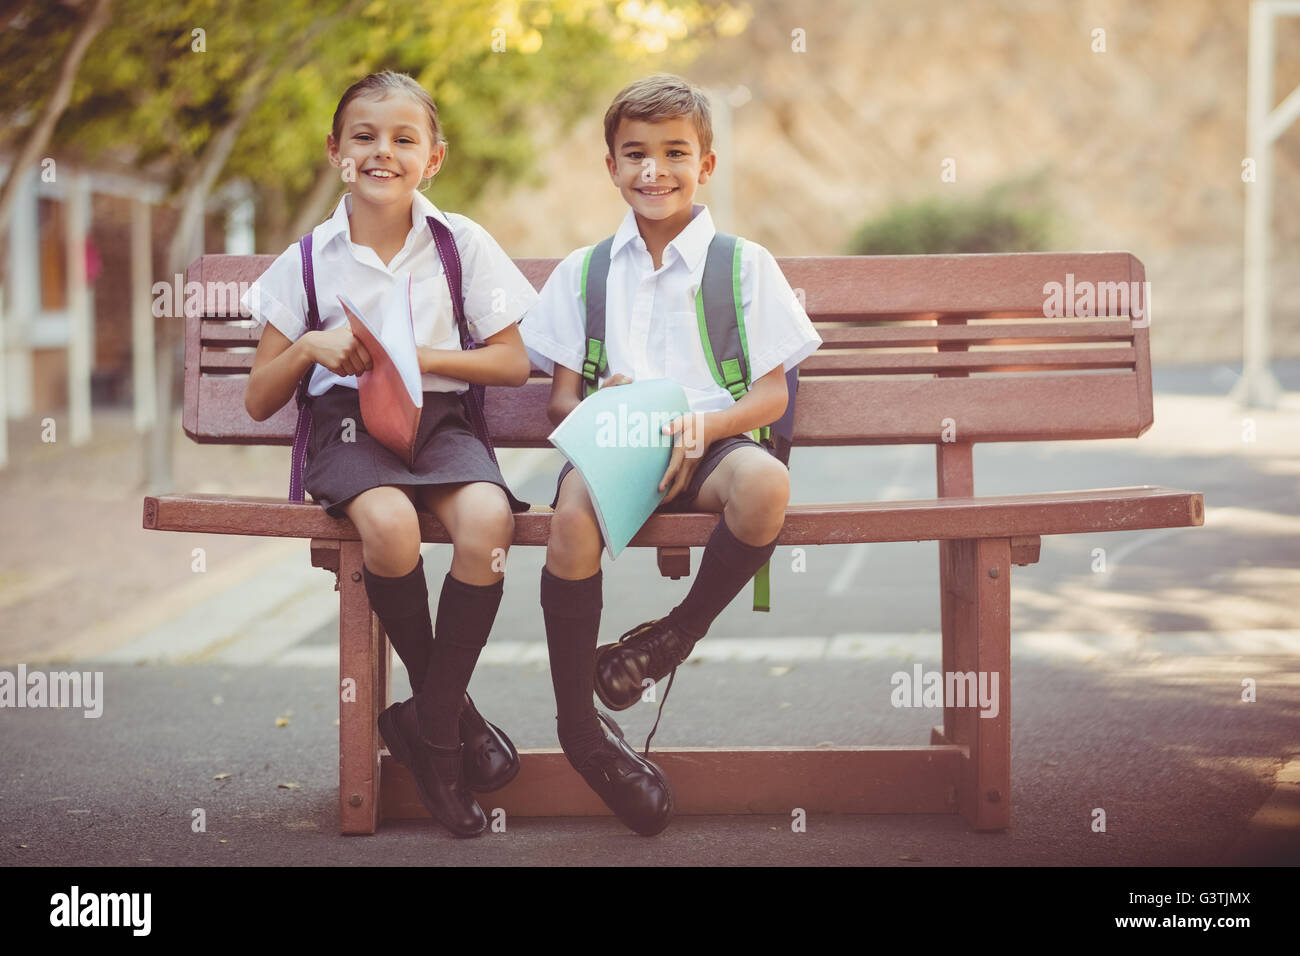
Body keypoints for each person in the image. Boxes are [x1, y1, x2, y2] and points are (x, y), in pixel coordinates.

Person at [521, 73, 822, 835]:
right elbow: (561, 403)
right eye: (635, 155)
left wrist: (707, 429)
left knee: (767, 485)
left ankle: (673, 637)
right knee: (570, 519)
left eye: (674, 153)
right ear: (612, 167)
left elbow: (771, 397)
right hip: (616, 445)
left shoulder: (744, 264)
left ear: (707, 165)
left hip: (713, 447)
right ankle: (579, 729)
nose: (654, 170)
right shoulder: (585, 272)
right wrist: (606, 403)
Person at [240, 71, 538, 839]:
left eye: (405, 138)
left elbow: (511, 363)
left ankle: (430, 729)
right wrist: (310, 346)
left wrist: (423, 355)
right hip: (347, 427)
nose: (384, 152)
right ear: (334, 151)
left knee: (486, 521)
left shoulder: (459, 243)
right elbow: (259, 397)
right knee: (390, 527)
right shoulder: (306, 261)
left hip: (439, 420)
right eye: (365, 137)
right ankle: (453, 736)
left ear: (433, 157)